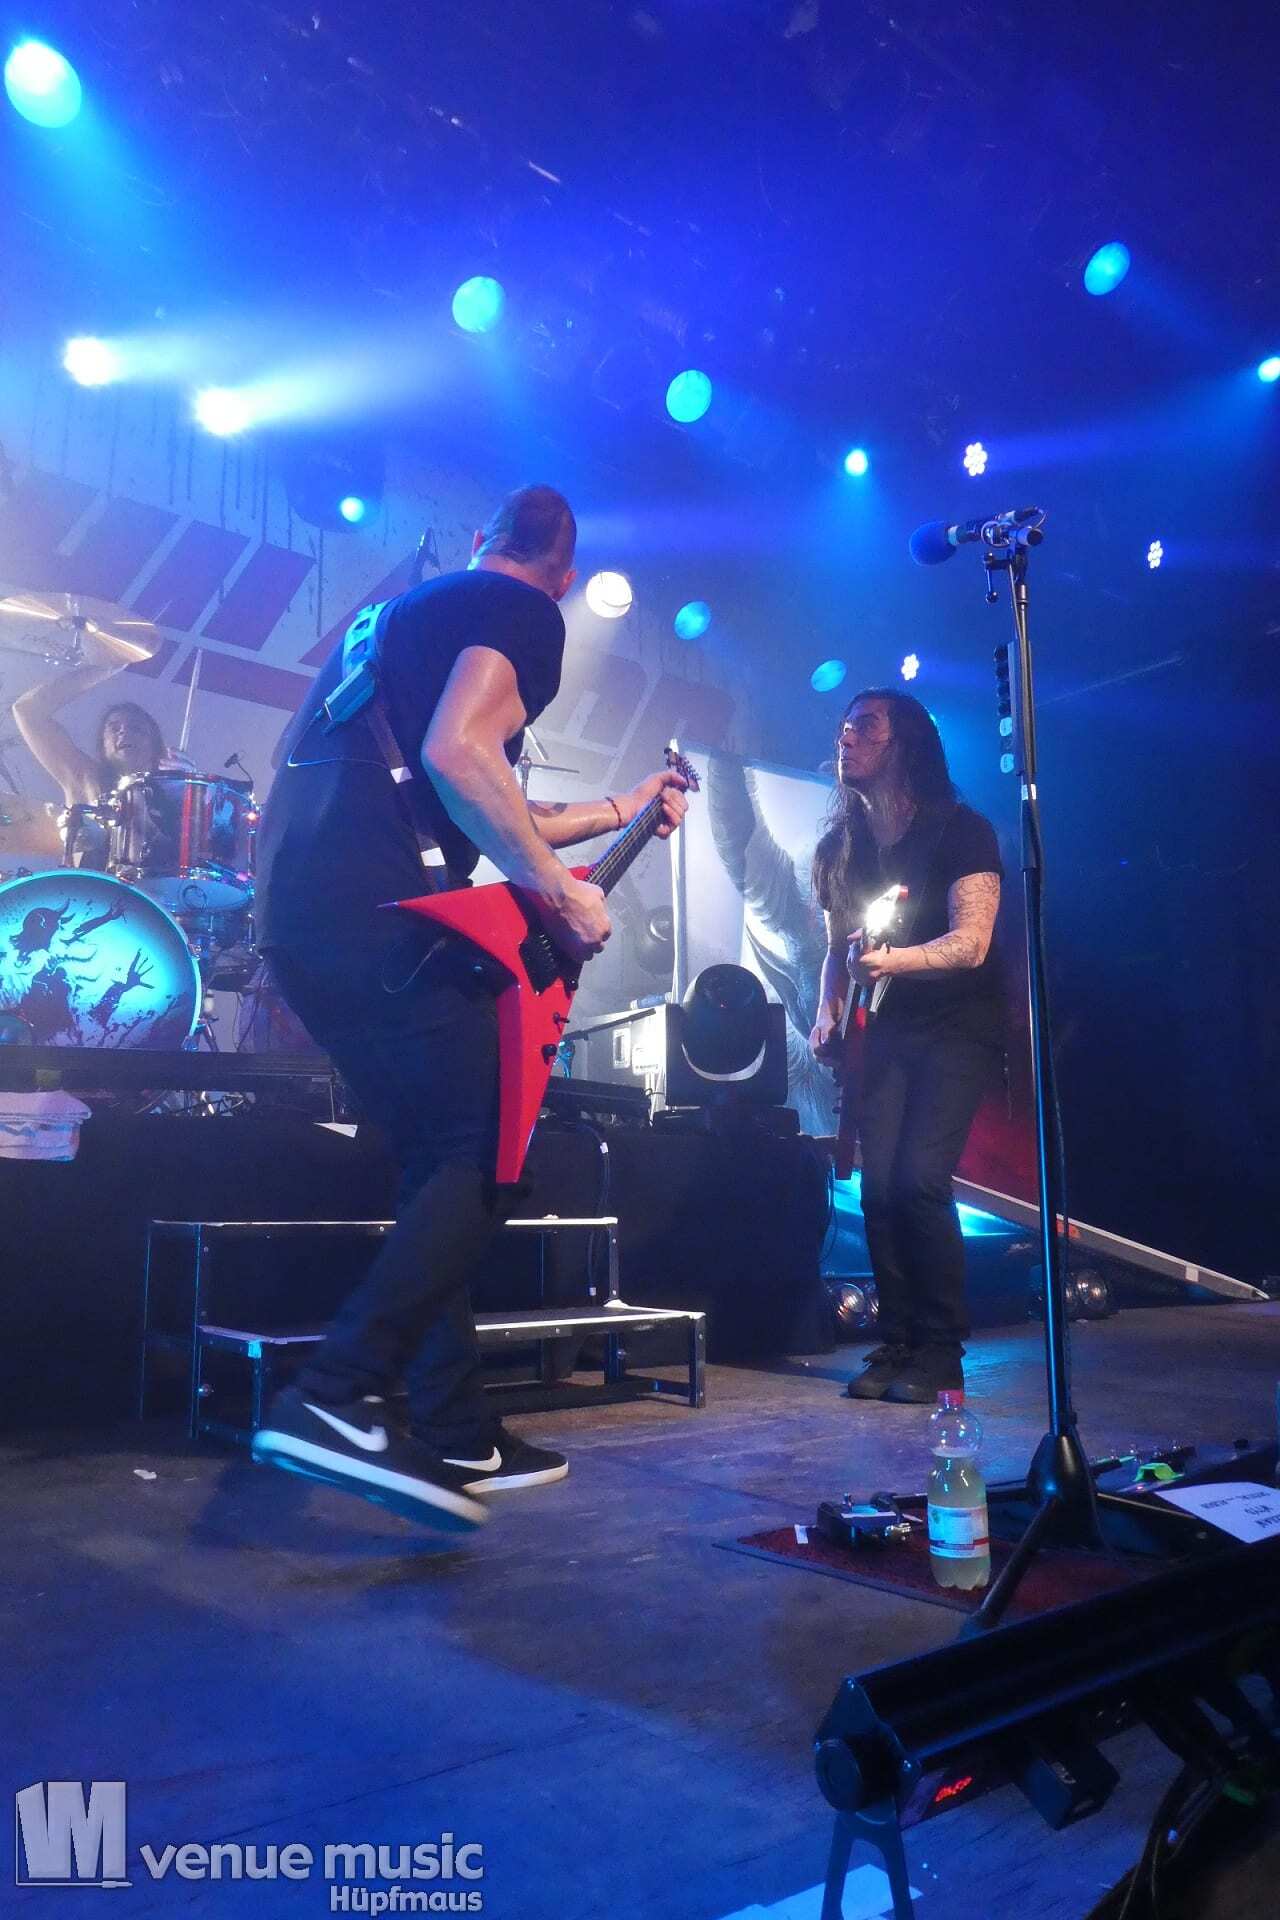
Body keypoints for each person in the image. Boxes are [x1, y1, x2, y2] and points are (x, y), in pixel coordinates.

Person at [252, 483, 688, 1528]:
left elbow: (469, 778)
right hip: (377, 909)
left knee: (433, 1162)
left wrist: (622, 809)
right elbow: (460, 755)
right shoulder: (521, 610)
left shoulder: (401, 618)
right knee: (476, 1149)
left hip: (301, 914)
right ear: (564, 577)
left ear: (481, 539)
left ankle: (453, 1427)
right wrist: (558, 893)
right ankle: (335, 1395)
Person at [810, 689, 1004, 1405]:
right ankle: (898, 1341)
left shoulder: (961, 830)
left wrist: (893, 962)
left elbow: (972, 943)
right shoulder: (841, 849)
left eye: (865, 727)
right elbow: (838, 949)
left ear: (906, 743)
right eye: (843, 729)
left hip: (956, 1027)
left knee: (921, 1180)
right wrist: (827, 1010)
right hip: (886, 1030)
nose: (847, 740)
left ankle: (942, 1351)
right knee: (879, 1187)